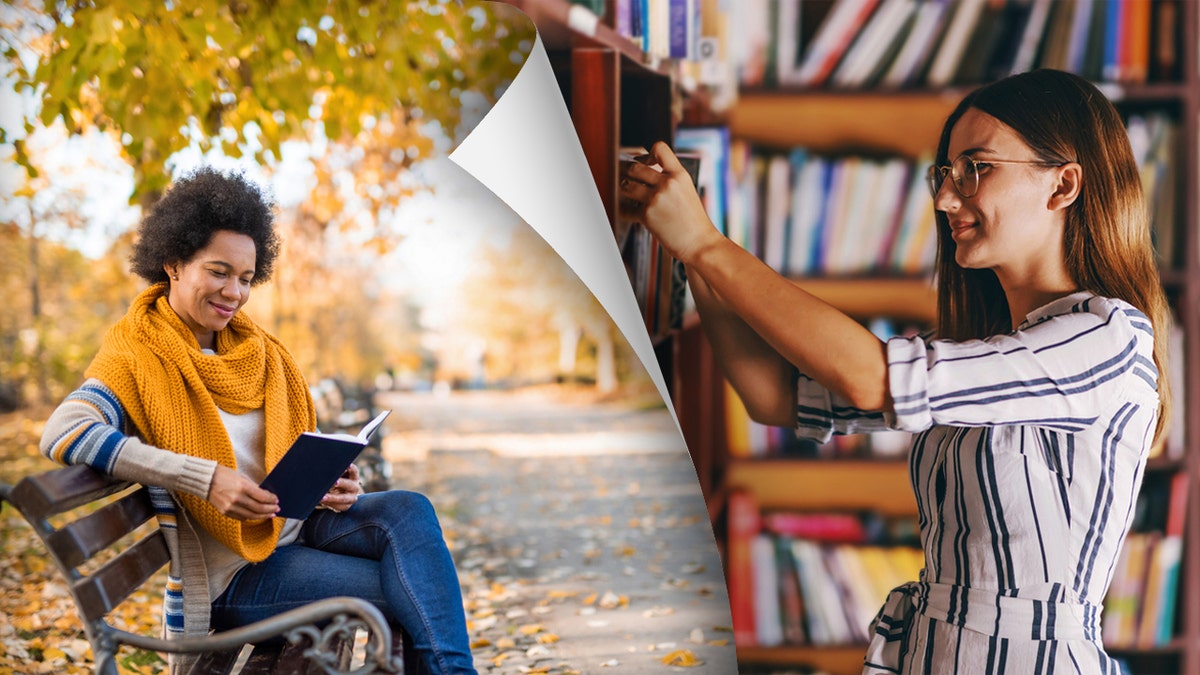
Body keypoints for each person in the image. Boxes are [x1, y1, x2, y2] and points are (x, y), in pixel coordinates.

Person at [619, 69, 1171, 673]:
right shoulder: (985, 351)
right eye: (945, 174)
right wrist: (690, 254)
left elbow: (873, 379)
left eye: (976, 168)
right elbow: (775, 397)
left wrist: (706, 246)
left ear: (1062, 184)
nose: (944, 199)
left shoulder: (1105, 337)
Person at [40, 167, 477, 675]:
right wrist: (203, 479)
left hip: (296, 528)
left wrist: (328, 480)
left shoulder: (256, 351)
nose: (234, 292)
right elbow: (64, 430)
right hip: (237, 576)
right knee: (416, 588)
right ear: (174, 262)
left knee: (410, 512)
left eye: (246, 278)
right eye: (219, 271)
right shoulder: (135, 352)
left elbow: (280, 455)